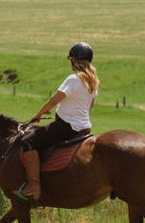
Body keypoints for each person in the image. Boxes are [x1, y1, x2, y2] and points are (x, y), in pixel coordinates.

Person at [21, 42, 100, 200]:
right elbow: (90, 106)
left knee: (28, 141)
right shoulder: (93, 81)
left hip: (66, 127)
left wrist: (38, 114)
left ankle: (34, 184)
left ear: (74, 61)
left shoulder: (73, 79)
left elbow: (54, 100)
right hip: (84, 128)